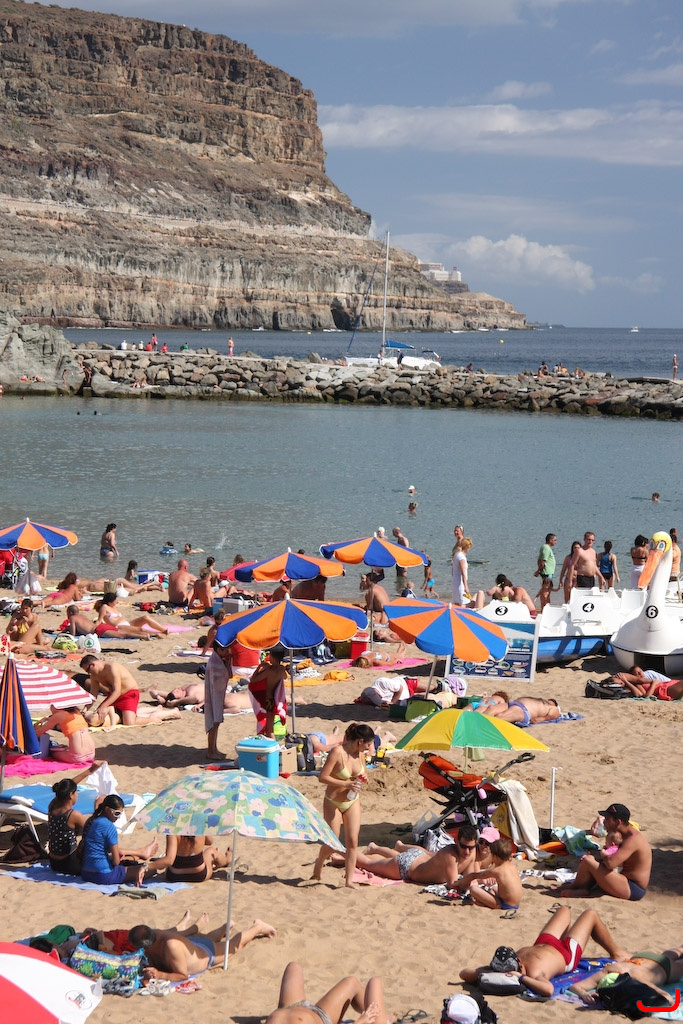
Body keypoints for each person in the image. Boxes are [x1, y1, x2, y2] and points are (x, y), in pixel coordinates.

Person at [459, 906, 630, 998]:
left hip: (544, 943)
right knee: (590, 914)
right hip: (566, 954)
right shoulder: (533, 973)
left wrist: (489, 970)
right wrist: (521, 977)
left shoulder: (504, 965)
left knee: (564, 910)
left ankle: (572, 934)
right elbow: (548, 989)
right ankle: (616, 952)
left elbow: (464, 973)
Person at [312, 723, 376, 888]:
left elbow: (364, 772)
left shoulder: (360, 754)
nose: (369, 748)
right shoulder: (337, 752)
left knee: (353, 841)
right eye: (368, 744)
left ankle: (349, 880)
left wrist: (363, 778)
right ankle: (319, 861)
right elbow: (322, 777)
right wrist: (346, 783)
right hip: (333, 801)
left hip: (352, 800)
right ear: (360, 741)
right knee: (333, 842)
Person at [130, 918, 277, 983]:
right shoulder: (153, 934)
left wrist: (160, 974)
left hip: (205, 954)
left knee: (233, 946)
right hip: (192, 944)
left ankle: (257, 927)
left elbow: (183, 975)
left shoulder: (171, 946)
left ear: (147, 945)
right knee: (207, 939)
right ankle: (223, 929)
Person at [556, 802, 651, 901]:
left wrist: (599, 856)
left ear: (618, 822)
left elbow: (611, 863)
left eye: (607, 819)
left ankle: (573, 887)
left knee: (589, 860)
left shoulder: (632, 839)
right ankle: (582, 888)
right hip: (622, 879)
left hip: (632, 887)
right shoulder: (623, 834)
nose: (604, 823)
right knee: (589, 861)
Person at [343, 825, 480, 885]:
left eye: (470, 848)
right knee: (368, 864)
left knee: (380, 862)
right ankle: (340, 850)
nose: (467, 852)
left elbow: (468, 878)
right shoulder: (450, 855)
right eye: (463, 847)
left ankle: (374, 848)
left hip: (418, 857)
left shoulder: (471, 853)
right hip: (406, 866)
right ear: (456, 842)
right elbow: (453, 884)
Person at [267, 961, 390, 1024]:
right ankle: (379, 1016)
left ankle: (378, 1016)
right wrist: (361, 1021)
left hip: (291, 1007)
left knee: (294, 966)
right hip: (320, 1017)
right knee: (352, 982)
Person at [80, 794, 158, 887]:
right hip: (103, 875)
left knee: (127, 861)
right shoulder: (110, 827)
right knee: (151, 870)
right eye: (117, 813)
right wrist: (117, 858)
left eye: (120, 813)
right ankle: (142, 854)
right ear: (107, 810)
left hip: (85, 873)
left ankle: (141, 854)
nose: (119, 817)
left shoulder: (90, 822)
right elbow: (116, 862)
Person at [570, 944, 683, 1008]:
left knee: (676, 960)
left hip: (664, 966)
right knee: (675, 952)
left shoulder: (637, 979)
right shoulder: (612, 970)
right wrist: (584, 994)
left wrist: (584, 994)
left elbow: (667, 997)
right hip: (643, 957)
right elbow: (575, 987)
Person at [46, 766, 103, 875]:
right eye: (76, 792)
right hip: (70, 864)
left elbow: (66, 788)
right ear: (71, 795)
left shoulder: (52, 806)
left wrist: (90, 770)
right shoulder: (73, 815)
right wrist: (97, 809)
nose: (77, 794)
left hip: (54, 863)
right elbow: (95, 830)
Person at [452, 836, 522, 910]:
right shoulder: (512, 866)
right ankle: (484, 902)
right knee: (493, 889)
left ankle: (485, 904)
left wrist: (458, 882)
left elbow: (473, 876)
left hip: (505, 905)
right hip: (516, 903)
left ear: (495, 857)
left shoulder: (497, 871)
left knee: (473, 889)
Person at [80, 654, 144, 726]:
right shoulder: (94, 675)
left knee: (129, 723)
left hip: (128, 694)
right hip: (113, 697)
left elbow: (117, 691)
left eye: (88, 670)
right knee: (96, 718)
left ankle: (151, 718)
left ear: (93, 665)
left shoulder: (111, 668)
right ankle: (124, 715)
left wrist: (103, 706)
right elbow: (93, 695)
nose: (89, 673)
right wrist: (84, 710)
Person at [151, 834, 232, 883]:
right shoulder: (199, 827)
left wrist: (147, 866)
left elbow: (169, 860)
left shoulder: (173, 831)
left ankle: (214, 863)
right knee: (211, 851)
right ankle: (227, 860)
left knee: (173, 854)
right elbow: (209, 842)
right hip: (199, 875)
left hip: (173, 876)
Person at [248, 647, 288, 737]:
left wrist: (259, 667)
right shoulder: (281, 669)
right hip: (274, 699)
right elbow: (285, 677)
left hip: (267, 700)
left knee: (269, 728)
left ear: (273, 657)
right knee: (270, 725)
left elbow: (253, 680)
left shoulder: (269, 671)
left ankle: (273, 743)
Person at [93, 593, 169, 639]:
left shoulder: (113, 607)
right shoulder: (104, 607)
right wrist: (92, 629)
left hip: (127, 624)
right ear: (110, 602)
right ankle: (157, 634)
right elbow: (99, 620)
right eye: (115, 600)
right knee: (141, 630)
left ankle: (163, 630)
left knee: (145, 618)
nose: (117, 601)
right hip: (119, 627)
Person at [204, 642, 233, 759]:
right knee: (213, 723)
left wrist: (228, 662)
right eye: (224, 649)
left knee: (216, 723)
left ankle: (214, 749)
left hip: (218, 695)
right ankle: (211, 751)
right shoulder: (214, 663)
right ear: (218, 650)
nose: (227, 651)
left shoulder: (219, 660)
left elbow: (229, 675)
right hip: (214, 696)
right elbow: (218, 680)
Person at [609, 666, 683, 700]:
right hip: (664, 689)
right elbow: (645, 695)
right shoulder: (638, 685)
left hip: (667, 684)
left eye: (640, 671)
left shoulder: (645, 679)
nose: (640, 674)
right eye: (637, 673)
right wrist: (653, 684)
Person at [484, 695, 561, 726]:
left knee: (499, 717)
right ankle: (477, 723)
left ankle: (482, 728)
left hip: (523, 710)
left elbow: (551, 716)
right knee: (491, 709)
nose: (549, 700)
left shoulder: (554, 708)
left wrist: (538, 719)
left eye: (552, 701)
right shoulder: (543, 702)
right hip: (514, 703)